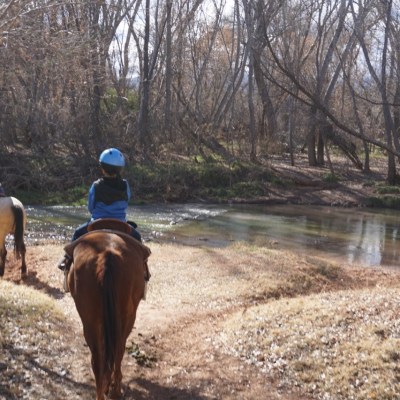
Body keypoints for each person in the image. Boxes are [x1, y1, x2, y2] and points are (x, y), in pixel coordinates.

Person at [57, 148, 145, 273]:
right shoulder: (125, 185)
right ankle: (143, 266)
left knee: (77, 233)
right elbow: (127, 200)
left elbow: (91, 207)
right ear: (120, 169)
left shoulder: (96, 185)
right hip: (121, 223)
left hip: (97, 222)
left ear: (102, 168)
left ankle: (67, 260)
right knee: (137, 239)